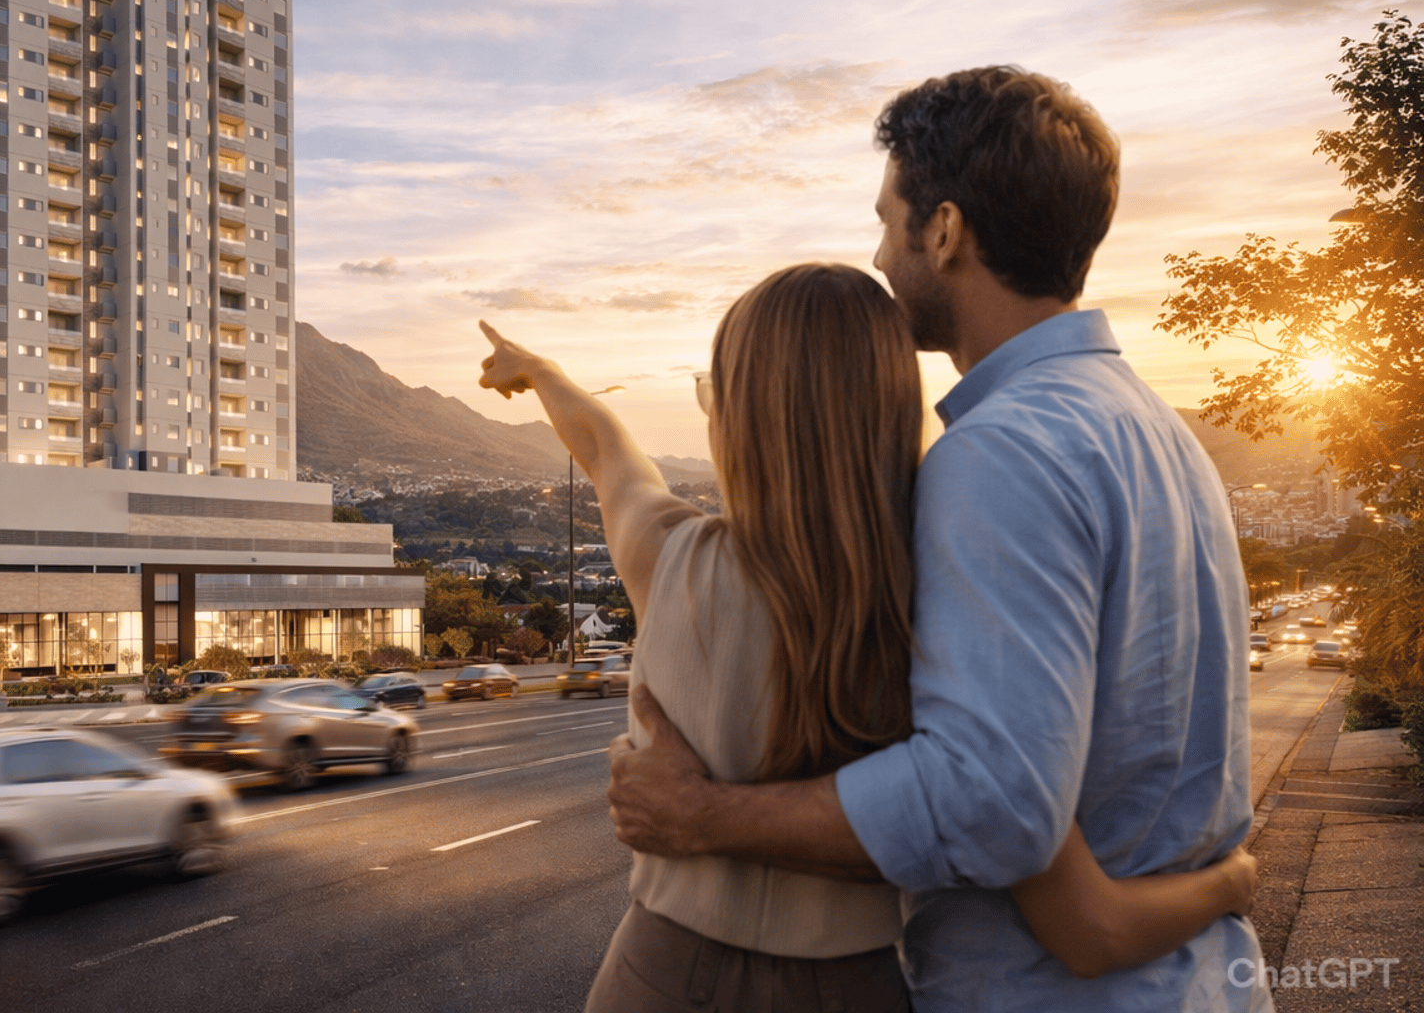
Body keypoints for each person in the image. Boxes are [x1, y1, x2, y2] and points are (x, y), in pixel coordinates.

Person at [598, 66, 1269, 1010]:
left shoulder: (1002, 453)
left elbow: (991, 804)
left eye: (887, 219)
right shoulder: (1155, 430)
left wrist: (704, 815)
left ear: (944, 231)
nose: (878, 252)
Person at [479, 266, 1252, 1009]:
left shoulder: (668, 559)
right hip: (855, 987)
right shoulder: (932, 602)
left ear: (735, 419)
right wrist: (1225, 882)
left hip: (663, 970)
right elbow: (1030, 861)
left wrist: (539, 372)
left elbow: (605, 448)